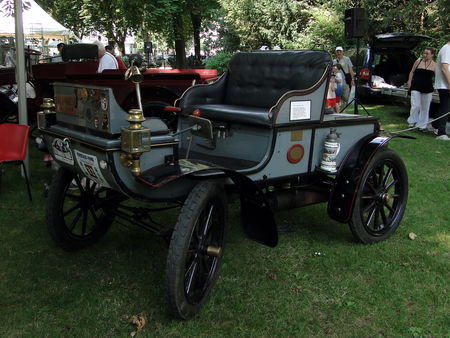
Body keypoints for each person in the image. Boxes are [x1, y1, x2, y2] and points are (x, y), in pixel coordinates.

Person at [406, 47, 436, 131]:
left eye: (427, 54)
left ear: (432, 55)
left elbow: (436, 77)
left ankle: (422, 125)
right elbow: (412, 71)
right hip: (416, 85)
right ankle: (412, 122)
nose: (425, 55)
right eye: (424, 53)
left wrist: (436, 86)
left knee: (425, 107)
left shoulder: (435, 65)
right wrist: (409, 81)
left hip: (428, 88)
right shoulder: (418, 61)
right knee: (416, 105)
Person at [433, 38, 450, 141]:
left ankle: (435, 125)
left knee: (446, 108)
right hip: (445, 85)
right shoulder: (447, 49)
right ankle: (441, 133)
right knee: (445, 109)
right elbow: (444, 68)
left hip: (445, 85)